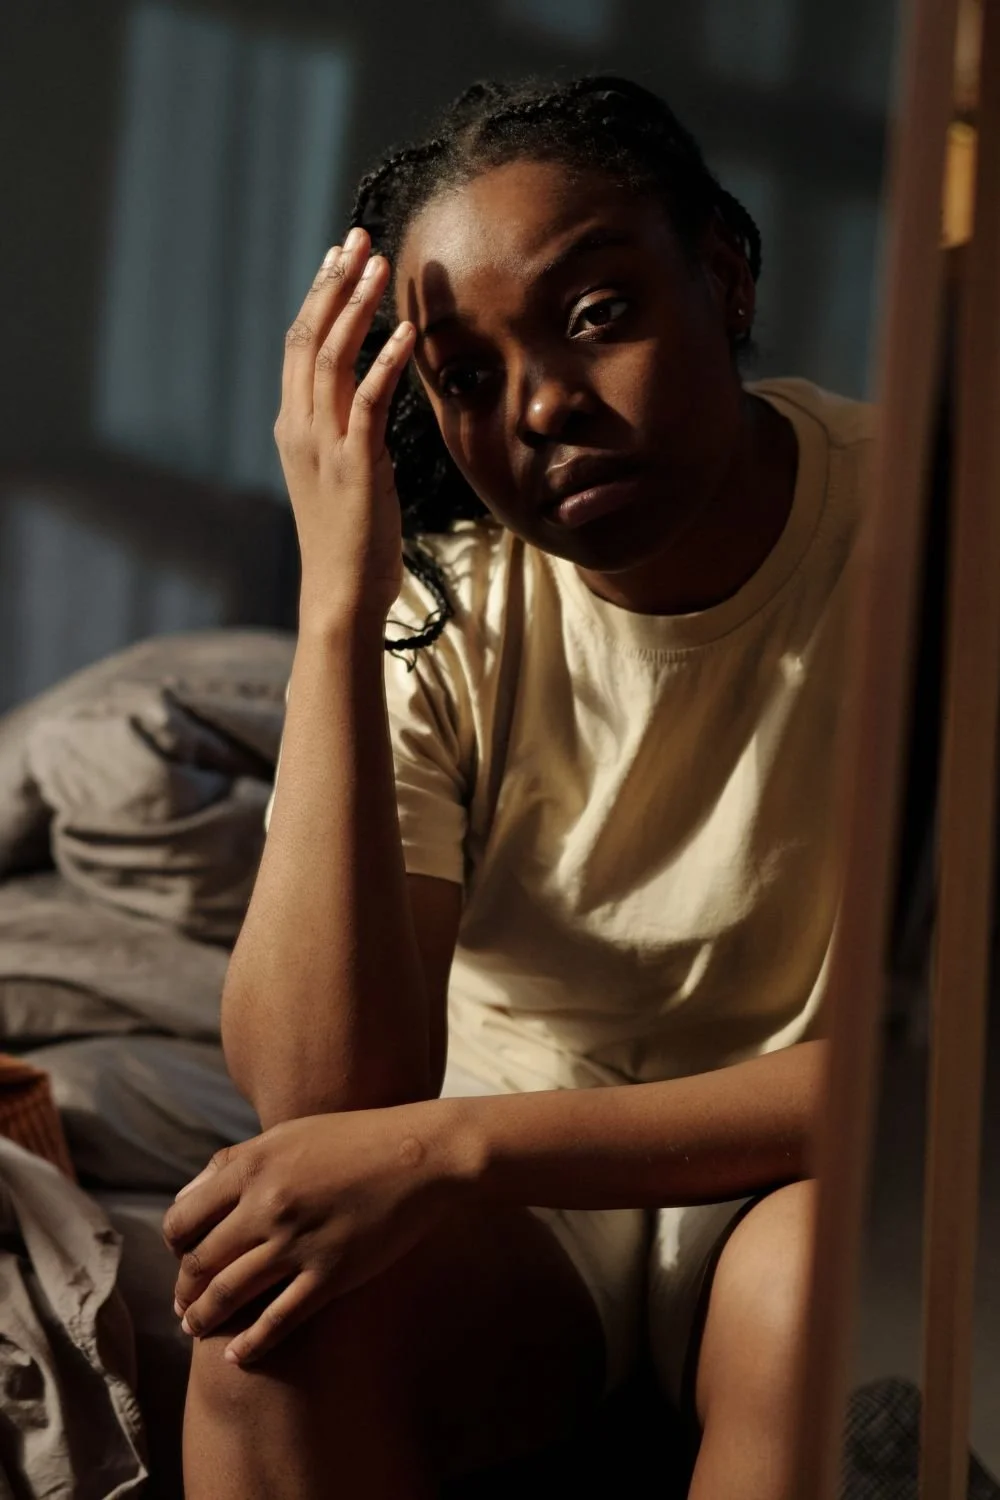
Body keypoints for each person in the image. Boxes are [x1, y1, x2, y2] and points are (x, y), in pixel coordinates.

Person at [163, 74, 873, 1499]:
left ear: (724, 278)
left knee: (818, 1313)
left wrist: (459, 1148)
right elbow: (321, 1100)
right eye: (467, 376)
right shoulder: (442, 607)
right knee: (266, 1326)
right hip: (524, 1195)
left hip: (802, 1165)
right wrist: (336, 615)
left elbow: (938, 1086)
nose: (544, 405)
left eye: (598, 315)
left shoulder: (939, 524)